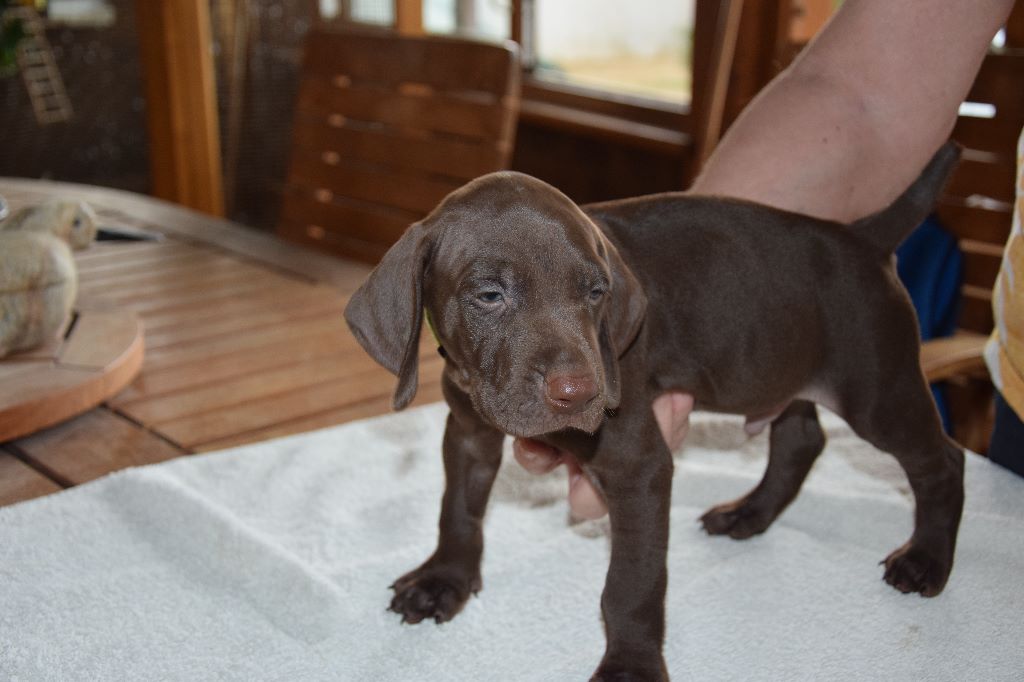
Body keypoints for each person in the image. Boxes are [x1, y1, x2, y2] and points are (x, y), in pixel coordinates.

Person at [513, 0, 1022, 519]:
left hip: (864, 309)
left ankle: (936, 499)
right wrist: (692, 280)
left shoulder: (854, 290)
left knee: (888, 423)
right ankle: (793, 452)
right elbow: (856, 95)